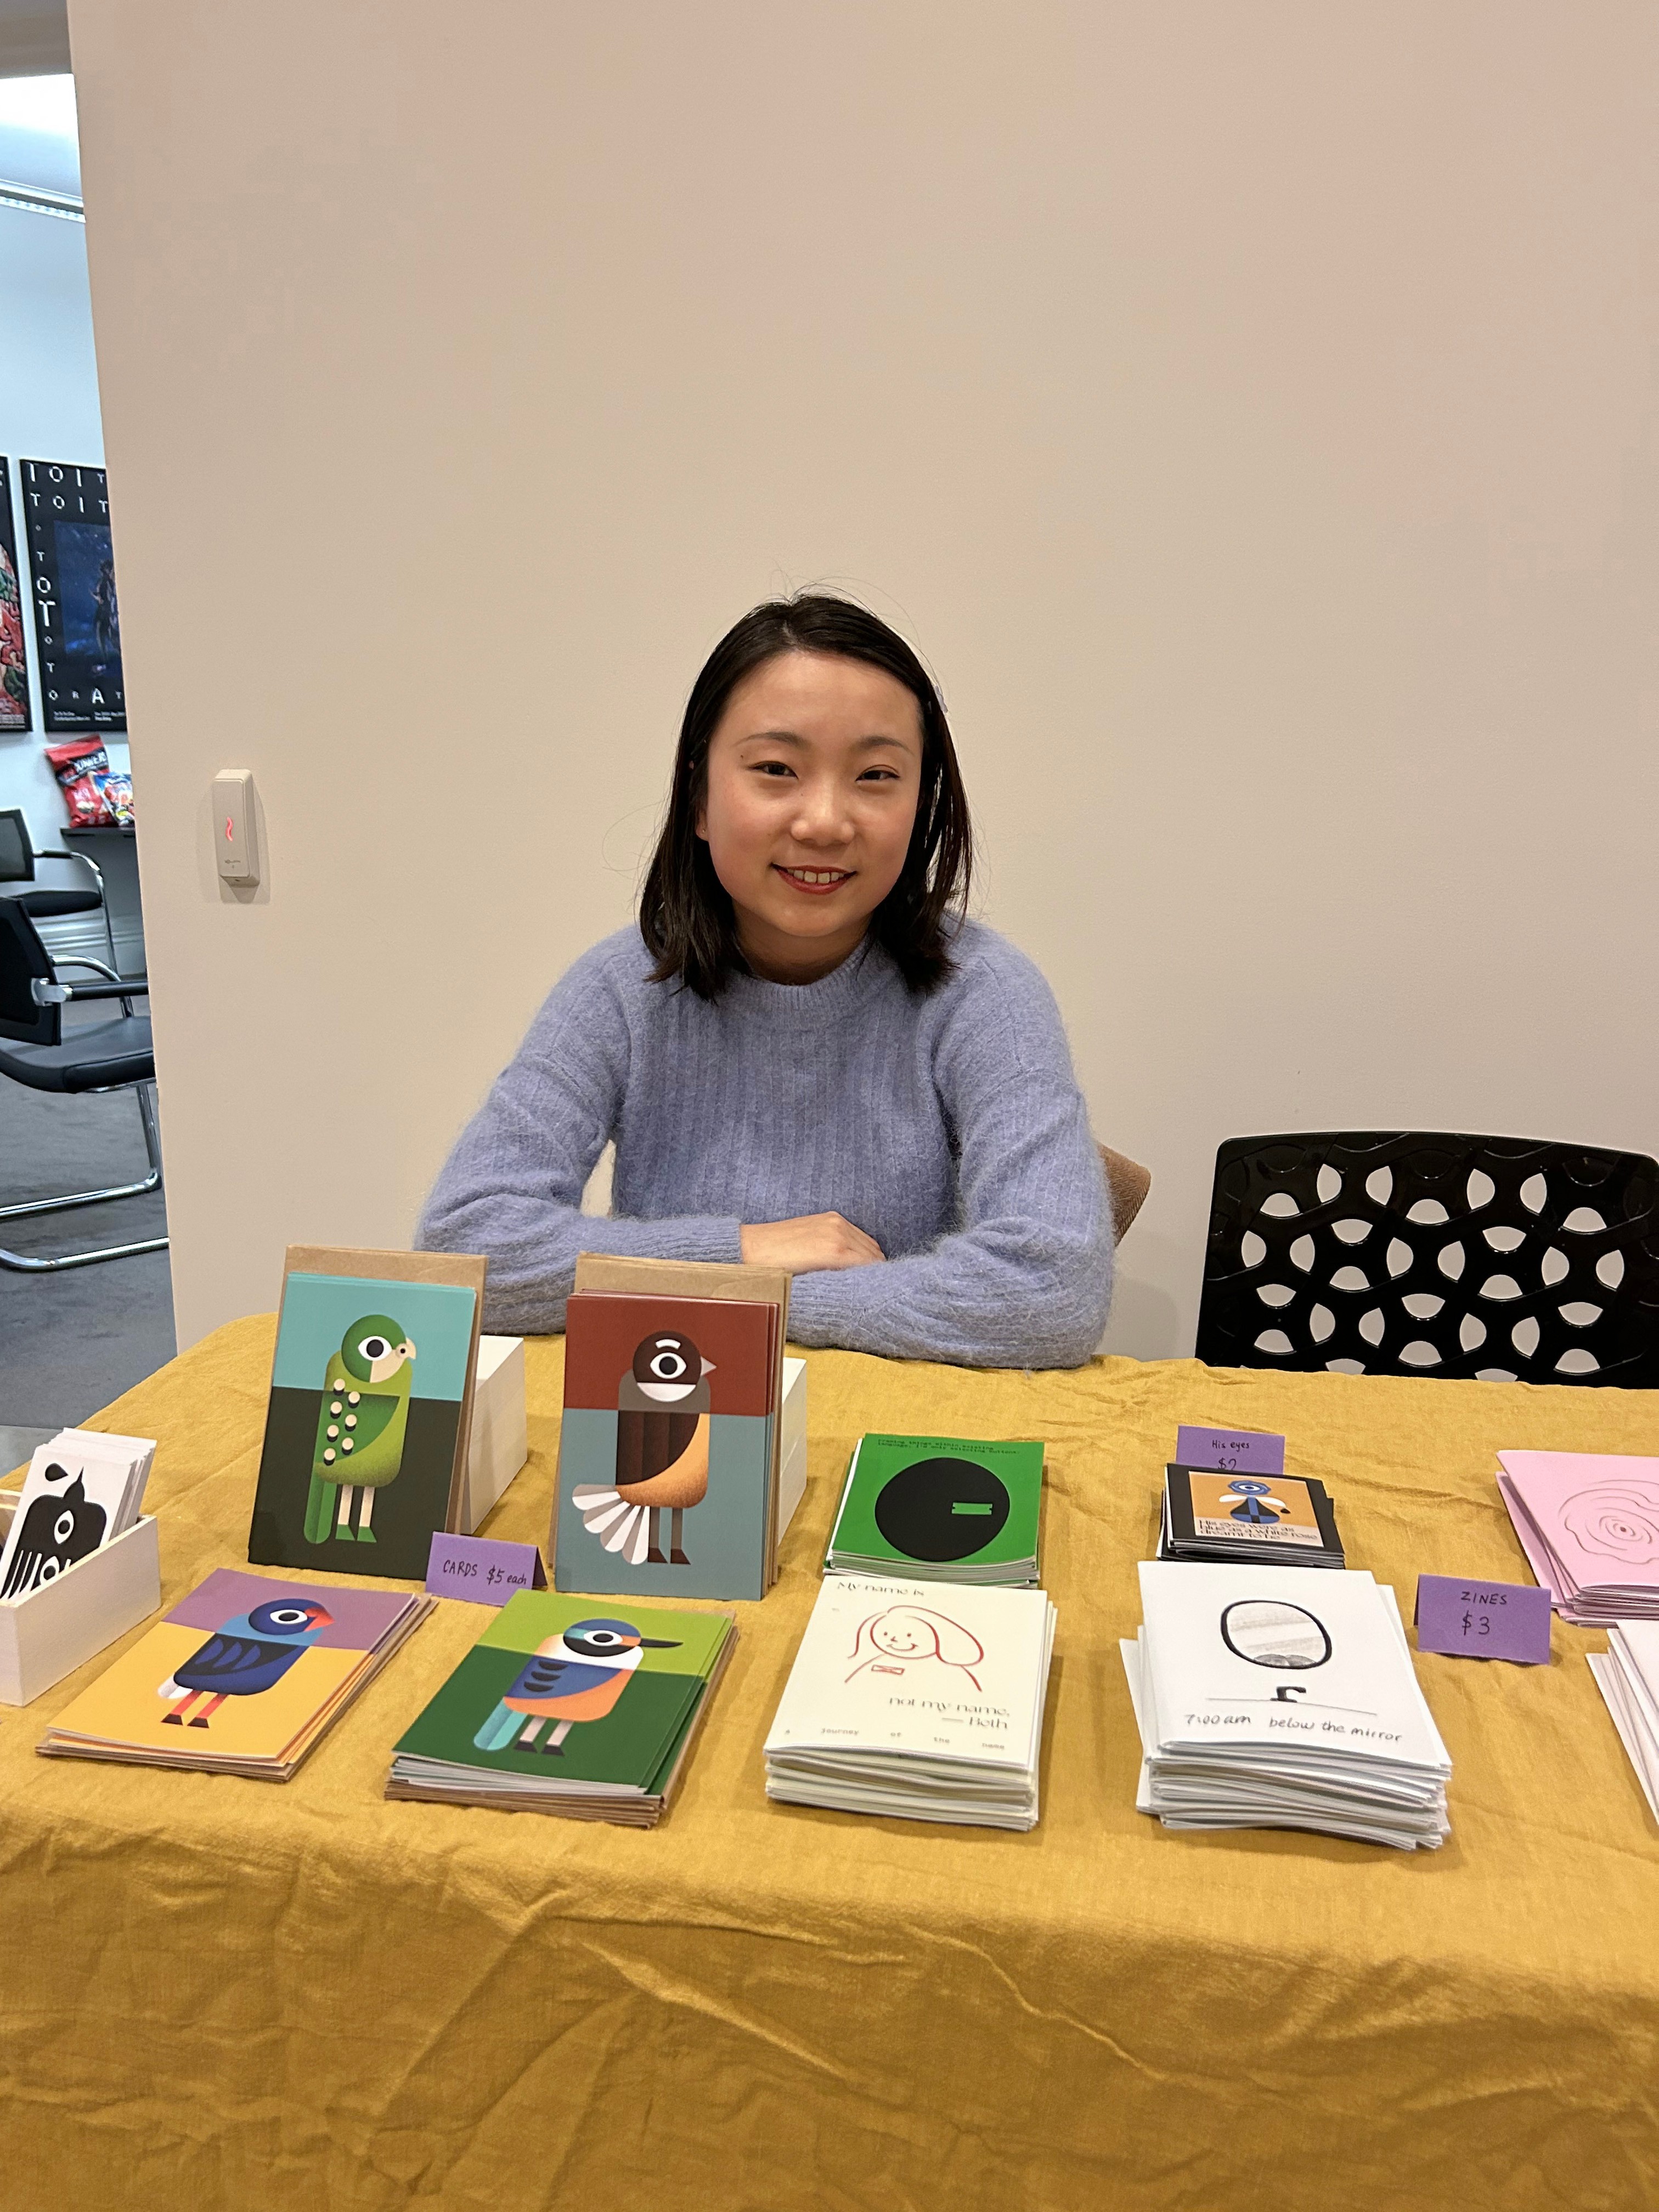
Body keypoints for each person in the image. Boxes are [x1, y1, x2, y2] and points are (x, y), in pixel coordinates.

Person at [416, 595, 1112, 1367]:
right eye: (776, 769)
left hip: (891, 1438)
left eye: (876, 775)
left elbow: (1055, 1292)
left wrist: (759, 1300)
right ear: (700, 799)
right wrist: (741, 1254)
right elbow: (465, 1249)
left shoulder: (985, 992)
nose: (823, 820)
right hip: (670, 1416)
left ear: (923, 806)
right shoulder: (621, 987)